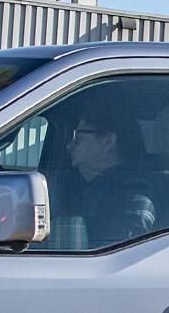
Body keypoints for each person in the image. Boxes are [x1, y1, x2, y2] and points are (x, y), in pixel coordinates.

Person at [51, 106, 157, 248]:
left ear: (108, 141)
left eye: (78, 137)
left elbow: (124, 255)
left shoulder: (135, 196)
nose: (69, 146)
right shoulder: (73, 185)